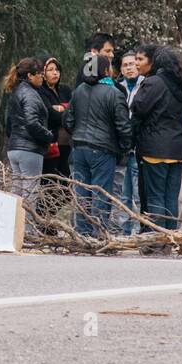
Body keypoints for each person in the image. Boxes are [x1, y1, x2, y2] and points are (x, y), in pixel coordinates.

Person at [64, 49, 132, 237]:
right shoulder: (114, 93)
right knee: (101, 193)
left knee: (82, 192)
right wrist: (125, 147)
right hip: (102, 150)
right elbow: (123, 126)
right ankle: (99, 232)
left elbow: (67, 120)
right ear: (105, 70)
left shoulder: (79, 91)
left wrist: (78, 133)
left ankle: (83, 232)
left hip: (78, 148)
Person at [130, 45, 182, 230]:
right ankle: (170, 236)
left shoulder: (153, 83)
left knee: (155, 195)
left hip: (155, 148)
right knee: (170, 196)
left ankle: (157, 238)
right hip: (179, 149)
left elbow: (138, 108)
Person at [4, 58, 54, 200]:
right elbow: (31, 123)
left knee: (17, 193)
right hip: (29, 149)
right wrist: (48, 135)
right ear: (30, 76)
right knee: (30, 194)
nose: (42, 78)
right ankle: (27, 223)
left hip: (14, 147)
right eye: (40, 74)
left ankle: (14, 222)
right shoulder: (30, 94)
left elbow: (9, 123)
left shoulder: (16, 92)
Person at [110, 51, 141, 233]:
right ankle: (123, 231)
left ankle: (137, 230)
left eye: (132, 63)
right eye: (125, 65)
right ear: (120, 69)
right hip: (121, 149)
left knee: (137, 193)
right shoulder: (117, 88)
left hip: (137, 147)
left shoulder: (145, 86)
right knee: (122, 193)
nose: (129, 68)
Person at [39, 56, 73, 177]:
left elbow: (75, 112)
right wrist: (65, 109)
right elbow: (50, 115)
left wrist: (59, 109)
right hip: (51, 145)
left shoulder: (66, 90)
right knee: (50, 181)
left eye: (57, 70)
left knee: (65, 181)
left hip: (67, 144)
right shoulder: (40, 91)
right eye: (50, 70)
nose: (55, 73)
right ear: (43, 73)